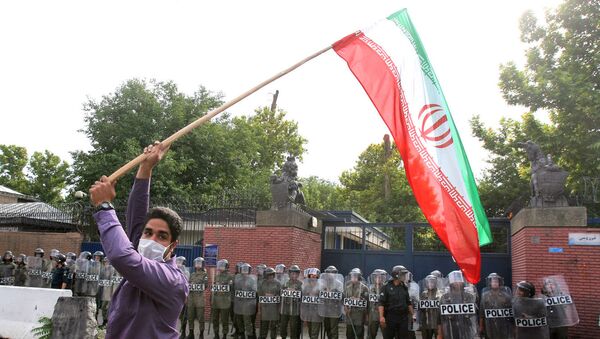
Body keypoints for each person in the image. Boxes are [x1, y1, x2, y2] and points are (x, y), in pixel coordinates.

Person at [88, 141, 189, 338]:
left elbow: (121, 256)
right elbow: (136, 218)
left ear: (173, 245)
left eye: (162, 236)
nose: (151, 239)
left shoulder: (173, 281)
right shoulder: (141, 255)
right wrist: (145, 168)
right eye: (148, 232)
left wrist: (105, 206)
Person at [378, 265, 413, 339]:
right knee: (388, 336)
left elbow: (408, 302)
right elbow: (381, 303)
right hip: (390, 317)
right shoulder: (386, 286)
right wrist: (381, 317)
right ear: (397, 275)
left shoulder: (404, 287)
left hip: (403, 318)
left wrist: (413, 314)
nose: (404, 276)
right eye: (403, 274)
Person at [479, 273, 513, 339]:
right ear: (490, 283)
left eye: (496, 281)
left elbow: (511, 311)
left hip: (503, 324)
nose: (495, 283)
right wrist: (481, 326)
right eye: (493, 281)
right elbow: (481, 313)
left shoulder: (506, 296)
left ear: (499, 283)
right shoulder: (485, 295)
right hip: (489, 324)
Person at [212, 258, 234, 339]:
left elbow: (230, 287)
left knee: (224, 320)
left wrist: (222, 286)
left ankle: (224, 334)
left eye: (222, 266)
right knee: (215, 319)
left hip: (225, 301)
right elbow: (213, 288)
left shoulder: (230, 277)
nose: (220, 267)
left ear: (226, 267)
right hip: (216, 301)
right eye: (220, 266)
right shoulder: (216, 276)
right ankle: (216, 334)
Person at [343, 268, 369, 339]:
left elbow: (366, 301)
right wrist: (345, 307)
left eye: (355, 276)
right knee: (349, 334)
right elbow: (344, 298)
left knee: (359, 333)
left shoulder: (364, 288)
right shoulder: (347, 286)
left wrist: (359, 299)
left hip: (359, 314)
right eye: (352, 276)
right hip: (350, 313)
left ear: (359, 277)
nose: (353, 278)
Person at [187, 257, 208, 339]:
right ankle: (191, 333)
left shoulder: (205, 275)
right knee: (190, 316)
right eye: (196, 263)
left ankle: (201, 334)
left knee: (200, 317)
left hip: (199, 299)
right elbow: (188, 284)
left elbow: (205, 286)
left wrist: (195, 285)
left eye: (199, 263)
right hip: (191, 298)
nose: (197, 265)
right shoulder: (192, 275)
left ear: (202, 265)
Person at [320, 265, 343, 339]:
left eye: (332, 272)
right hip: (325, 308)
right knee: (327, 327)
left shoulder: (339, 283)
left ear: (335, 273)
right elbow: (320, 294)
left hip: (334, 309)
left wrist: (332, 291)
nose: (330, 274)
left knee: (334, 328)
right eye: (329, 272)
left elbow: (341, 295)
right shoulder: (323, 283)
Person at [280, 265, 302, 339]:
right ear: (289, 274)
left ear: (298, 274)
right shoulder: (285, 283)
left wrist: (296, 291)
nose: (294, 275)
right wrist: (286, 291)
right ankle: (283, 337)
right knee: (283, 326)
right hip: (284, 309)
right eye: (292, 273)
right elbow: (280, 293)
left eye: (296, 273)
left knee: (294, 328)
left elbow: (303, 295)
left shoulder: (300, 284)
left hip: (295, 309)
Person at [418, 275, 442, 339]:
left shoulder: (440, 293)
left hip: (437, 323)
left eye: (432, 282)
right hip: (426, 323)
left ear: (435, 283)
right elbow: (420, 307)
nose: (430, 284)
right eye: (428, 282)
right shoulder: (423, 294)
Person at [367, 269, 387, 339]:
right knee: (371, 334)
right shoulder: (369, 288)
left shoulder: (386, 288)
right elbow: (366, 302)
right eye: (377, 277)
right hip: (373, 314)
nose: (378, 279)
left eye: (380, 277)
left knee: (386, 334)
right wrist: (366, 314)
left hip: (384, 315)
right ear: (374, 278)